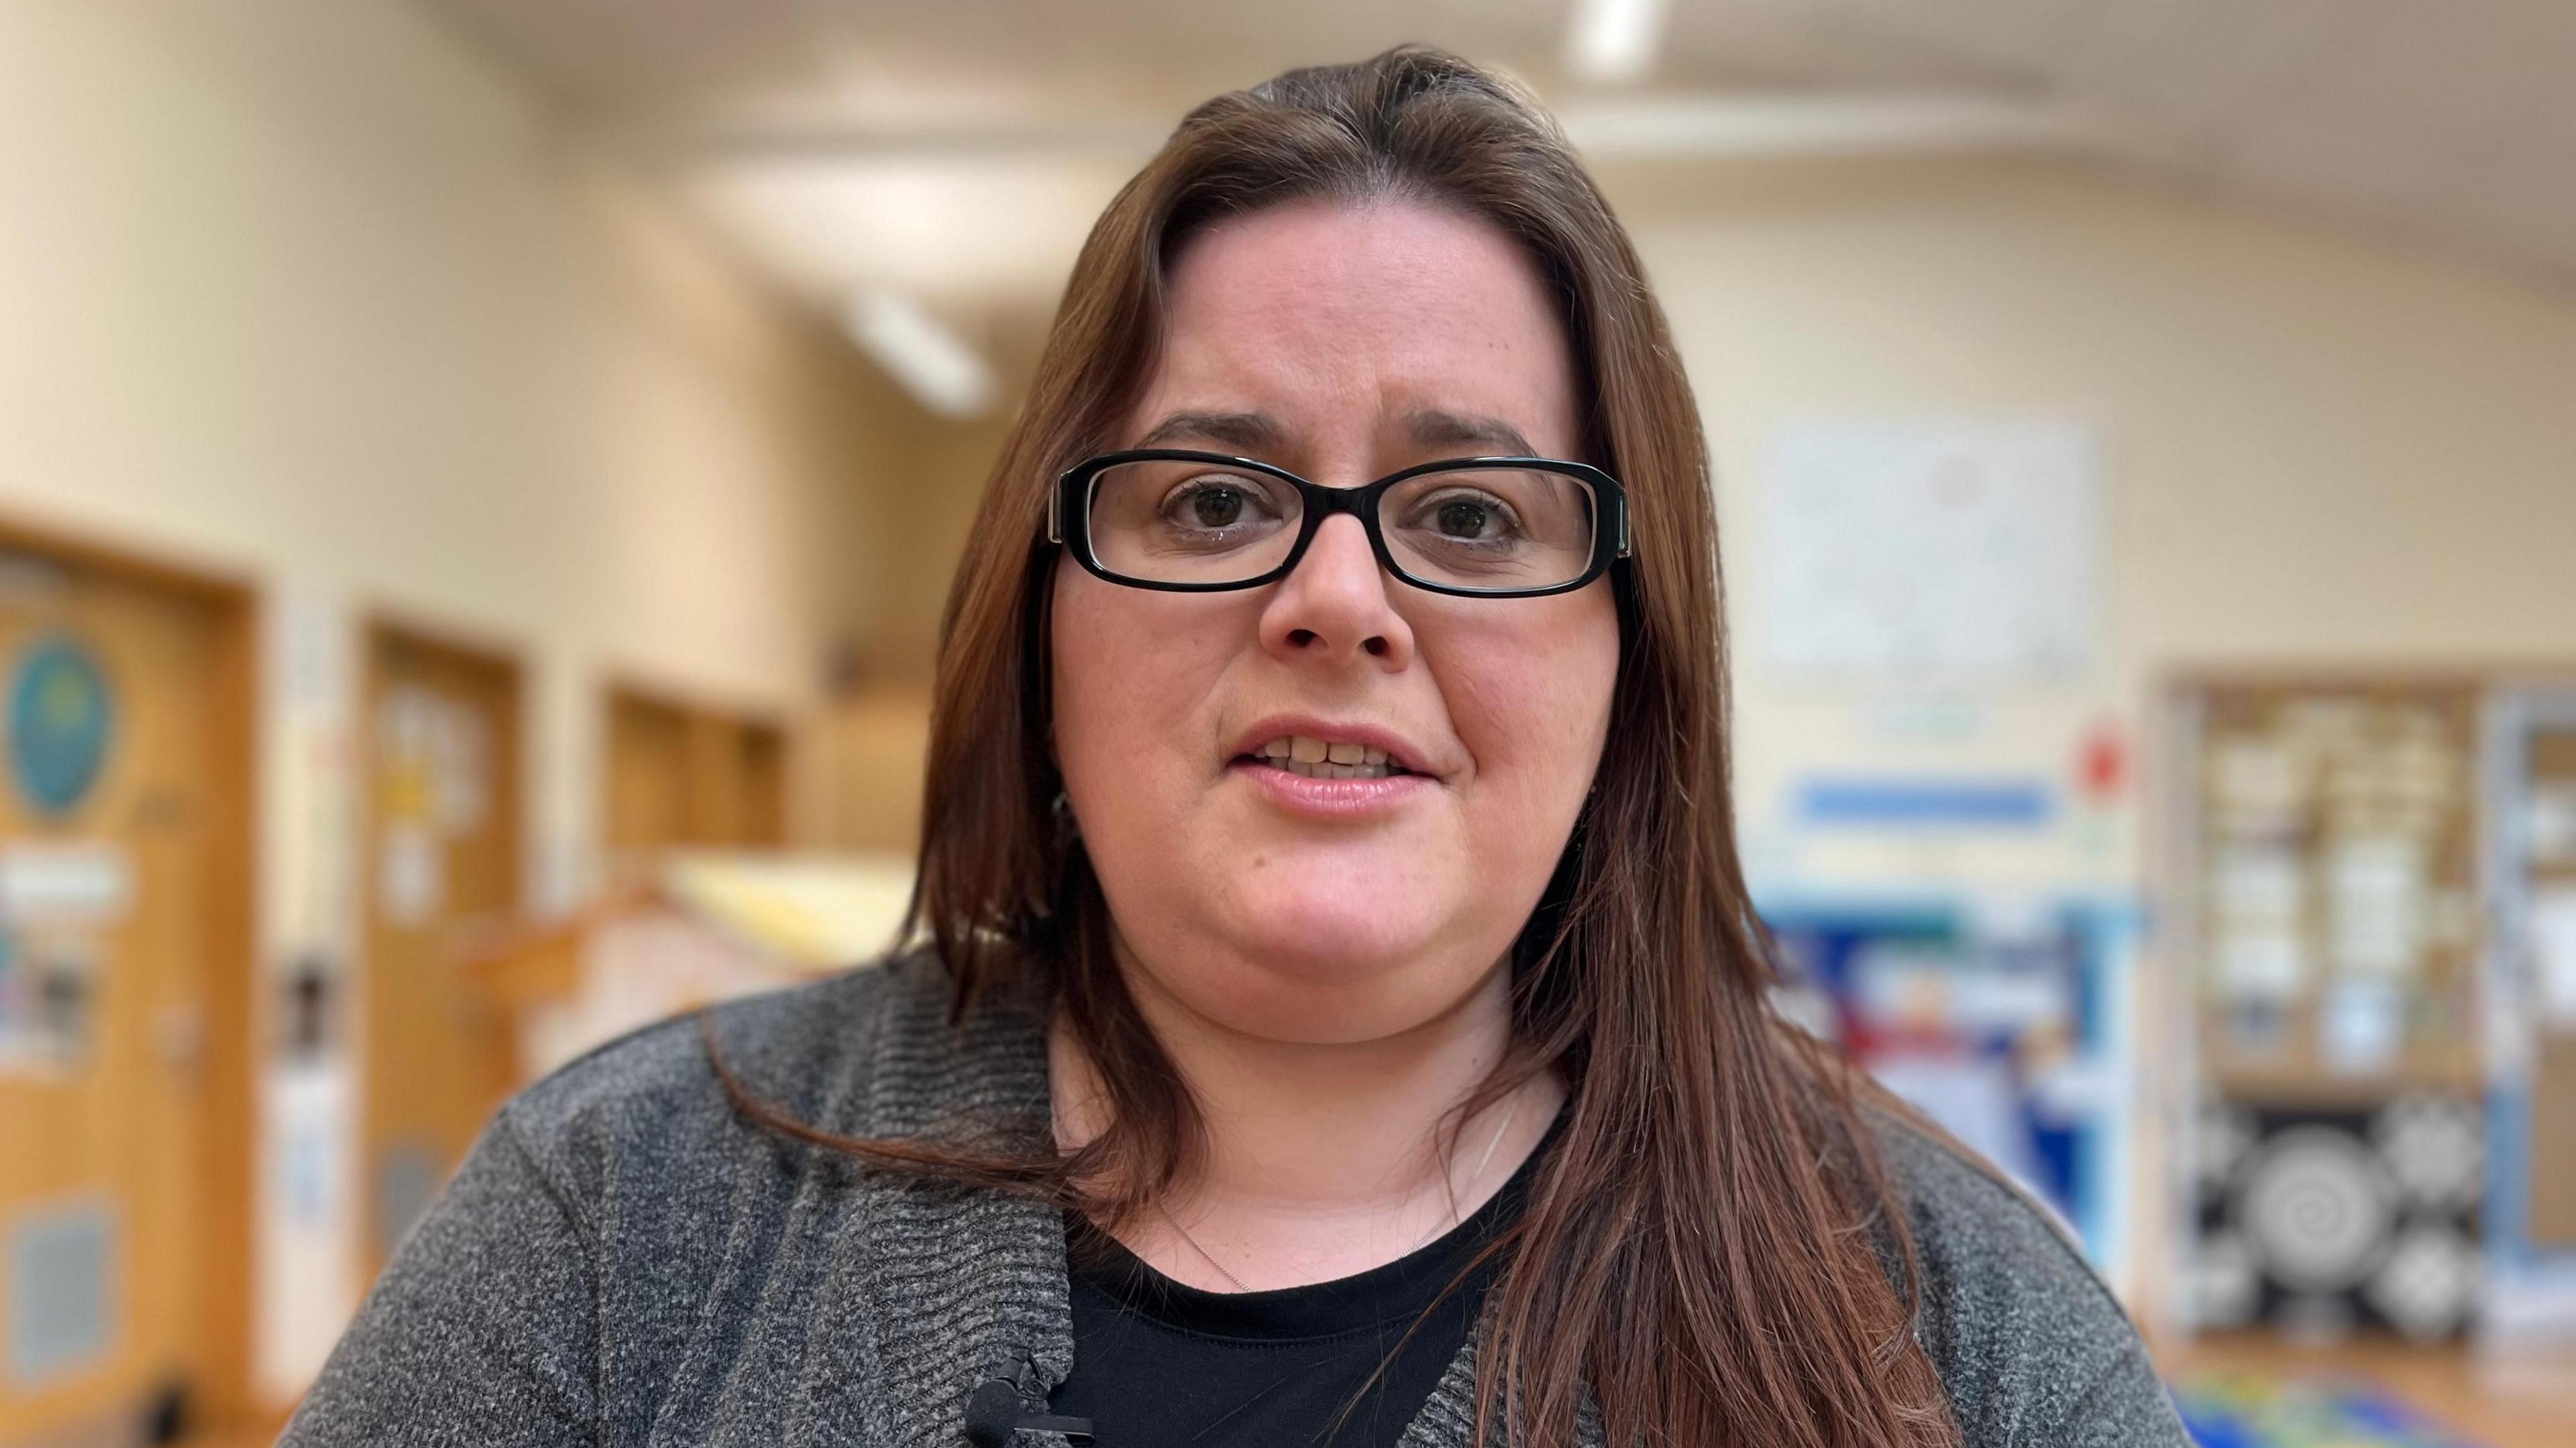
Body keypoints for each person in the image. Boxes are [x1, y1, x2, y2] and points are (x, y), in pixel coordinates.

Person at [282, 46, 2185, 1448]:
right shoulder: (624, 1218)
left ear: (1636, 659)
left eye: (1470, 518)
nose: (1339, 601)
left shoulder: (1956, 1328)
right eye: (1208, 503)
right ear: (1043, 616)